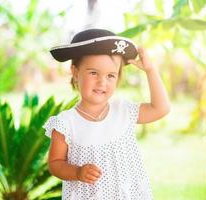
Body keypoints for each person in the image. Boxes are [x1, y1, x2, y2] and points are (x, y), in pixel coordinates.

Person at [43, 28, 170, 200]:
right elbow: (55, 164)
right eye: (93, 73)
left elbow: (160, 109)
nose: (102, 82)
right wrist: (78, 172)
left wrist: (151, 70)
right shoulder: (66, 123)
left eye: (111, 75)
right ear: (75, 72)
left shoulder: (123, 111)